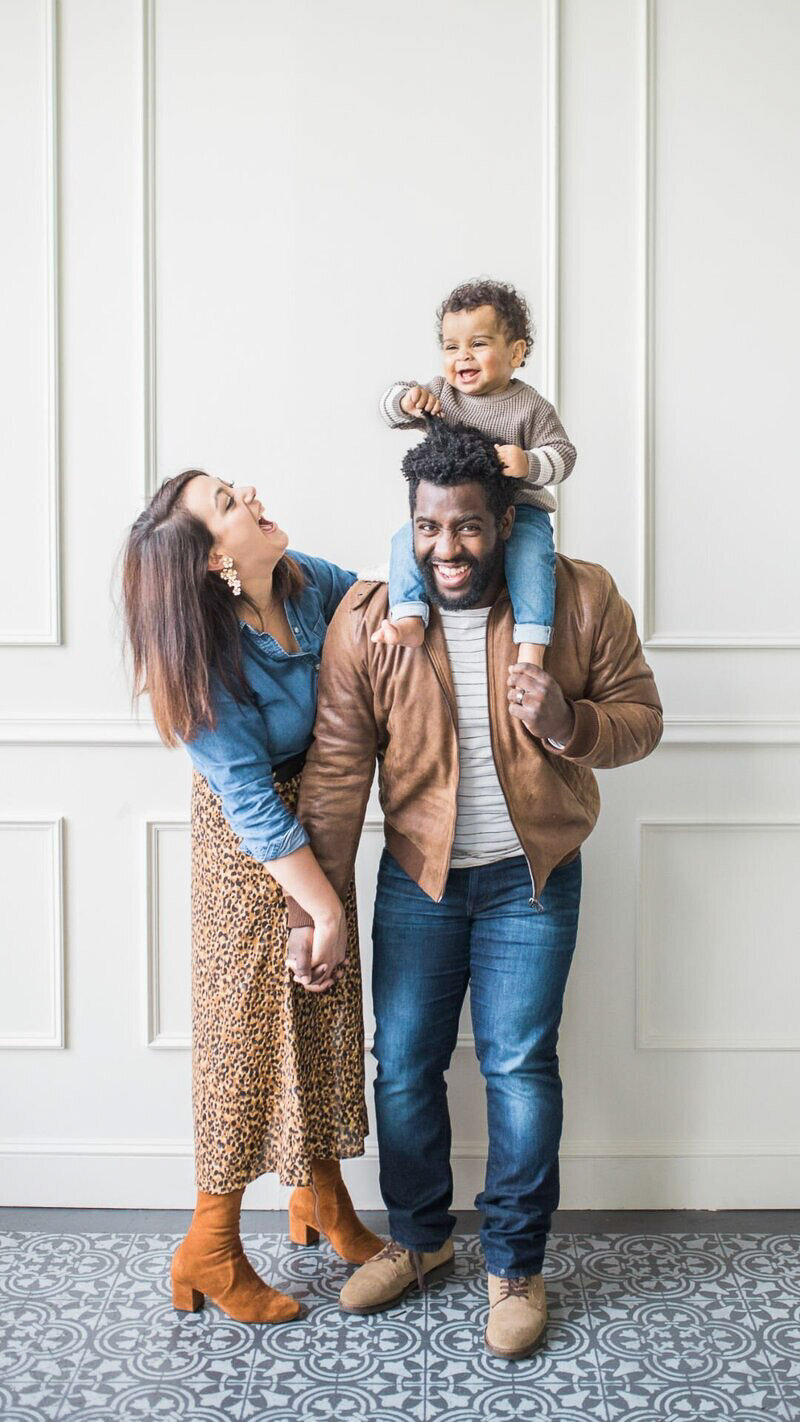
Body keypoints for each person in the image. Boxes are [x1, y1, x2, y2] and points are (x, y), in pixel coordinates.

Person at [293, 421, 662, 1359]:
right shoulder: (373, 619)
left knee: (518, 1068)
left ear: (506, 520)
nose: (445, 550)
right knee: (405, 1065)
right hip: (418, 878)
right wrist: (322, 906)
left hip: (531, 882)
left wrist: (571, 720)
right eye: (427, 528)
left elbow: (642, 719)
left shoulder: (577, 599)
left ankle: (515, 1263)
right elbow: (336, 770)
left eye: (465, 528)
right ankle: (420, 1242)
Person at [121, 470, 381, 1326]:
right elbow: (251, 807)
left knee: (325, 1014)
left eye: (236, 487)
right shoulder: (197, 656)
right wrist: (327, 908)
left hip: (319, 817)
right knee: (246, 1038)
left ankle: (323, 1200)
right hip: (252, 853)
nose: (254, 496)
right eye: (231, 503)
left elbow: (379, 592)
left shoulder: (303, 583)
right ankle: (211, 1247)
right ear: (212, 564)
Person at [376, 277, 576, 670]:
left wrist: (528, 463)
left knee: (533, 555)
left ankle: (532, 646)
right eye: (452, 347)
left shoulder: (530, 407)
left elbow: (564, 456)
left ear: (516, 352)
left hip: (518, 509)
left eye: (478, 344)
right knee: (404, 539)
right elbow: (389, 411)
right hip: (449, 514)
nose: (462, 356)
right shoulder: (442, 395)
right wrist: (406, 399)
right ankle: (409, 616)